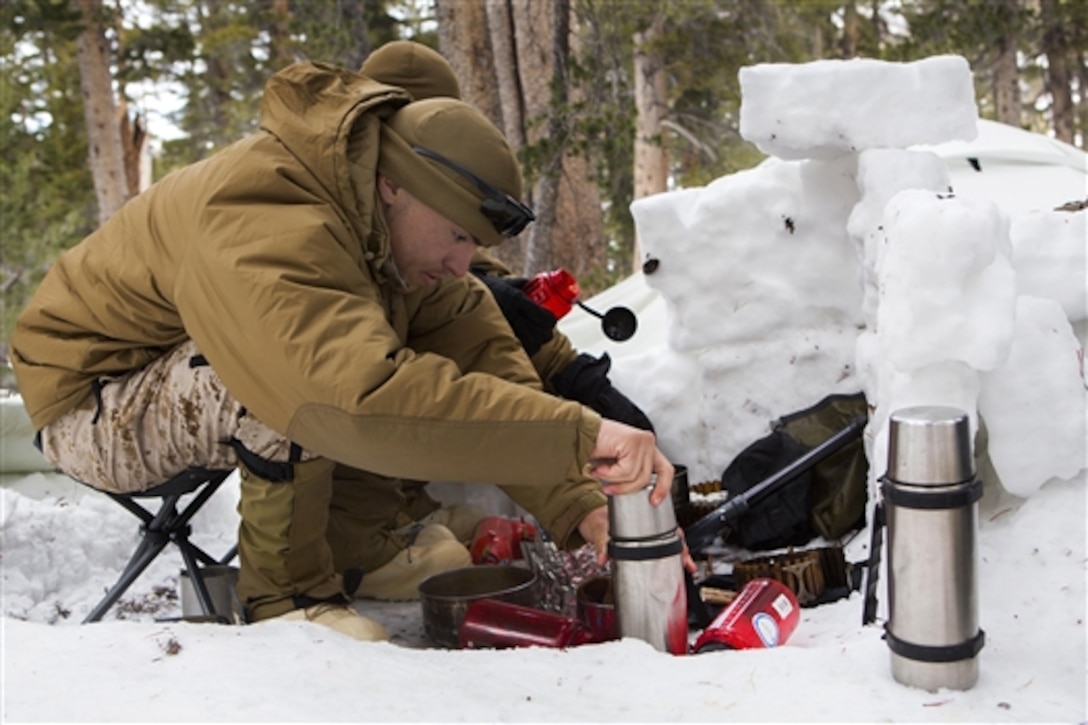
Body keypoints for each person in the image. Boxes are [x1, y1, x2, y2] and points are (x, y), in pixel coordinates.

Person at [10, 58, 676, 641]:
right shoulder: (269, 209)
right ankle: (288, 600)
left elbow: (480, 356)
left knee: (401, 326)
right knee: (289, 378)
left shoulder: (371, 219)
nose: (460, 262)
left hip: (169, 369)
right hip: (92, 401)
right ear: (394, 184)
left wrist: (577, 502)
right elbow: (343, 396)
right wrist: (579, 432)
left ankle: (364, 550)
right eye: (454, 237)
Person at [332, 41, 659, 602]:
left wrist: (584, 392)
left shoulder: (443, 251)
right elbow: (356, 384)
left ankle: (404, 511)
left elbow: (495, 334)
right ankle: (359, 542)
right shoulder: (329, 222)